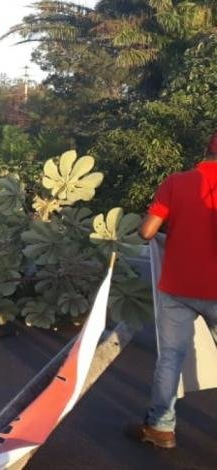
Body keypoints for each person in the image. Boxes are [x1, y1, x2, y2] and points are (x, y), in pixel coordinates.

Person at [129, 131, 217, 450]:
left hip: (178, 287)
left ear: (205, 151)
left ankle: (161, 428)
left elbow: (147, 231)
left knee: (170, 359)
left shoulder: (176, 182)